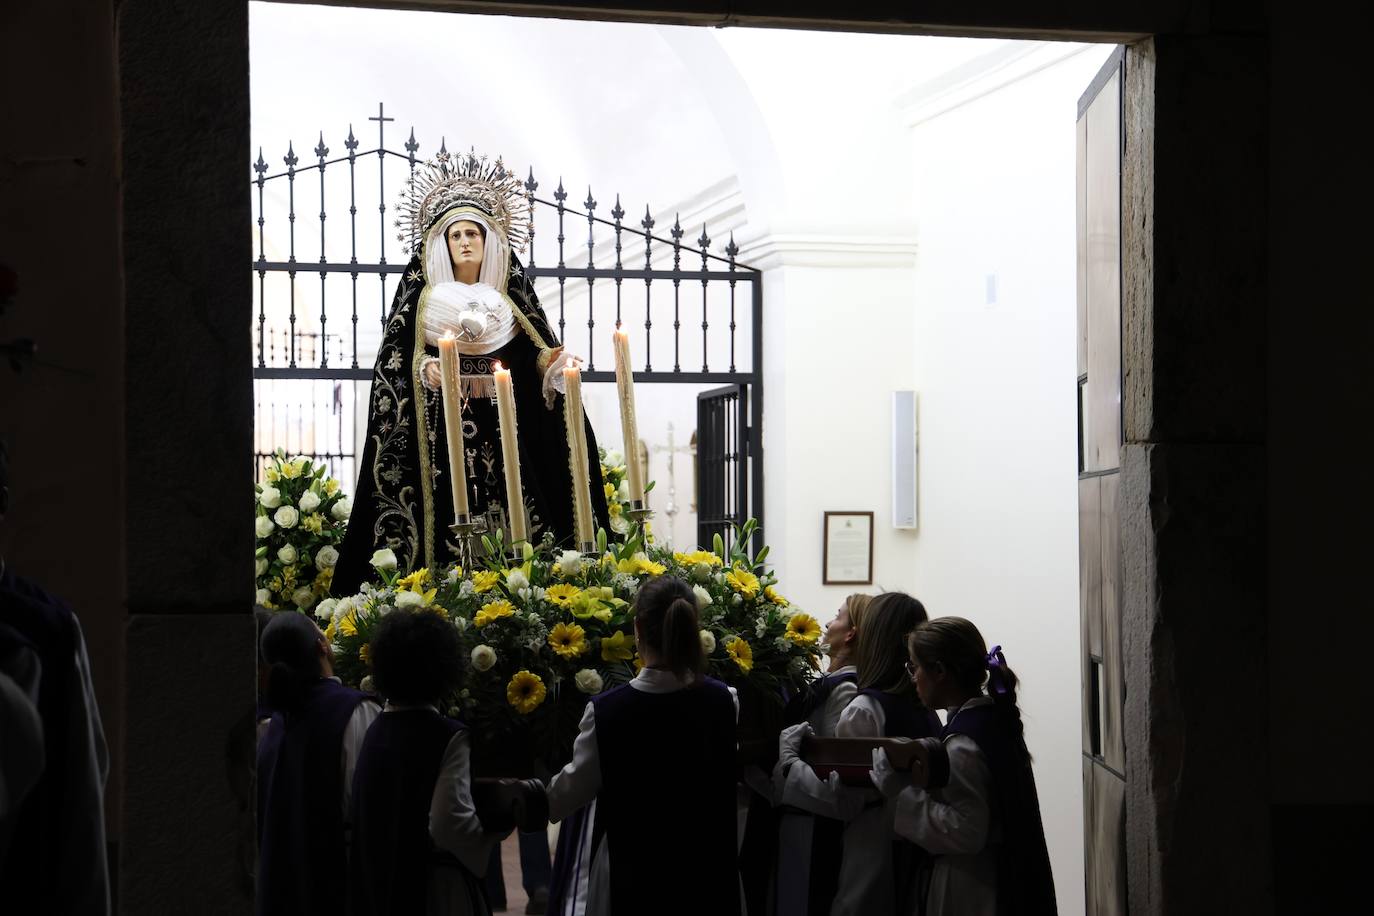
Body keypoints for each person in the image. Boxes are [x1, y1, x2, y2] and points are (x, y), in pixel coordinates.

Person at [333, 151, 609, 594]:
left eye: (473, 233)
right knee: (449, 502)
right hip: (444, 426)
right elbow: (395, 360)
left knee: (517, 496)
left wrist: (553, 366)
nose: (464, 242)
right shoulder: (424, 298)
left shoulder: (508, 296)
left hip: (505, 420)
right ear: (442, 243)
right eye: (456, 234)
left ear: (489, 240)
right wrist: (426, 368)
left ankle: (524, 579)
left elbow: (531, 349)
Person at [545, 576, 740, 916]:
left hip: (632, 874)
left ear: (637, 628)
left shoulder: (607, 712)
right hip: (705, 872)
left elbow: (568, 793)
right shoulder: (726, 701)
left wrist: (530, 799)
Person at [871, 617, 1056, 916]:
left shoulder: (962, 743)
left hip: (970, 886)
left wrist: (899, 795)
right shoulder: (988, 719)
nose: (912, 677)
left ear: (940, 671)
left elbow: (967, 831)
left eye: (914, 667)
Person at [774, 591, 939, 916]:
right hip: (916, 852)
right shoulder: (926, 710)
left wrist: (790, 766)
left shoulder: (864, 709)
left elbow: (847, 801)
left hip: (872, 851)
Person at [351, 608, 506, 915]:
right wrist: (495, 830)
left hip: (378, 882)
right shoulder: (448, 736)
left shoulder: (373, 729)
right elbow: (451, 825)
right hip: (433, 888)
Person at [256, 612, 380, 915]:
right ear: (322, 646)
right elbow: (368, 804)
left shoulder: (272, 725)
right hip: (338, 879)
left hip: (282, 882)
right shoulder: (355, 711)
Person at [772, 593, 872, 916]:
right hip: (799, 819)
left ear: (850, 633)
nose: (828, 623)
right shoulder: (833, 682)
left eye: (837, 616)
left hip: (814, 828)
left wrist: (787, 766)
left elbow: (831, 767)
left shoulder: (845, 689)